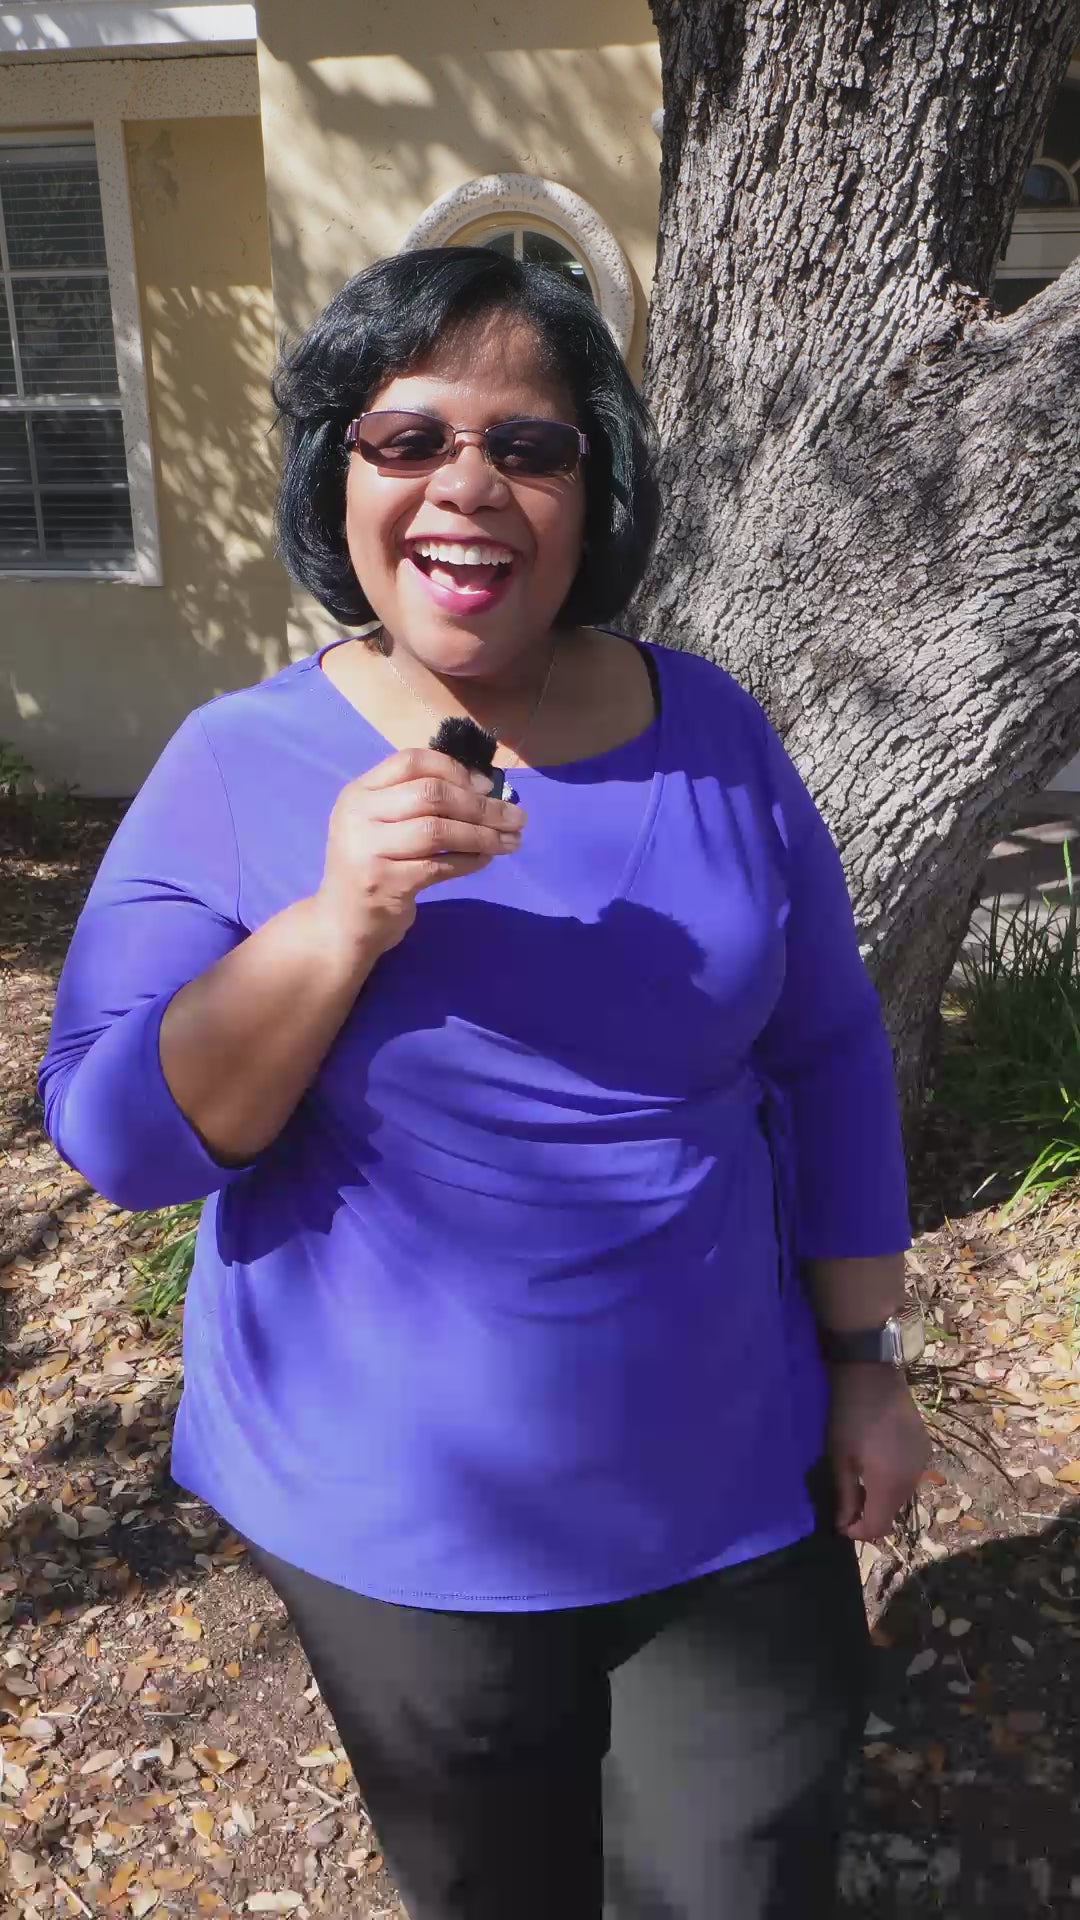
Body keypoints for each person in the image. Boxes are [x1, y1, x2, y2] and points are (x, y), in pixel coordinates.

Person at [40, 246, 929, 1920]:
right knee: (500, 1890)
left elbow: (825, 1054)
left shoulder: (714, 730)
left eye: (528, 444)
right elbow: (124, 1141)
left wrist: (866, 1366)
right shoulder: (237, 764)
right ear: (341, 473)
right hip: (397, 1522)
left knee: (742, 1876)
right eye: (407, 438)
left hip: (732, 1476)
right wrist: (334, 922)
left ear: (597, 489)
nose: (467, 485)